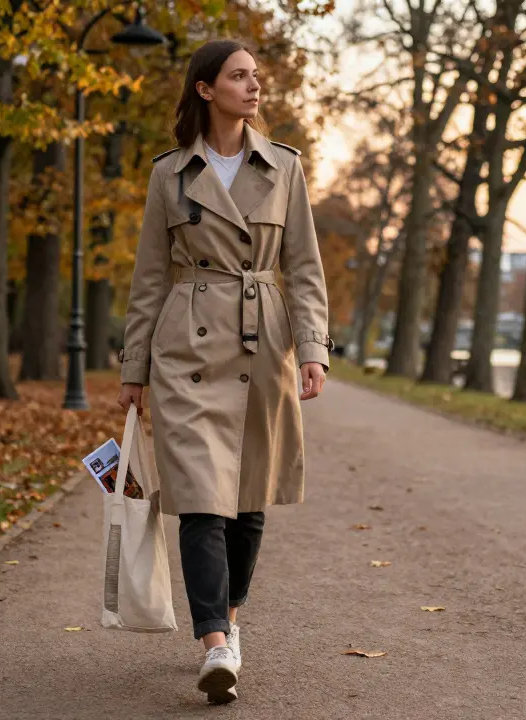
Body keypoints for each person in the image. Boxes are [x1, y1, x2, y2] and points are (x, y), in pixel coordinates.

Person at [116, 38, 331, 705]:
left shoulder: (285, 167)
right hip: (186, 344)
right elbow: (149, 275)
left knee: (248, 498)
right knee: (200, 496)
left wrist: (314, 347)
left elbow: (303, 266)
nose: (254, 86)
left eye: (257, 77)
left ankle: (229, 623)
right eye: (239, 76)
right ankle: (214, 642)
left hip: (261, 339)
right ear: (206, 89)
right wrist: (134, 366)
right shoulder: (169, 174)